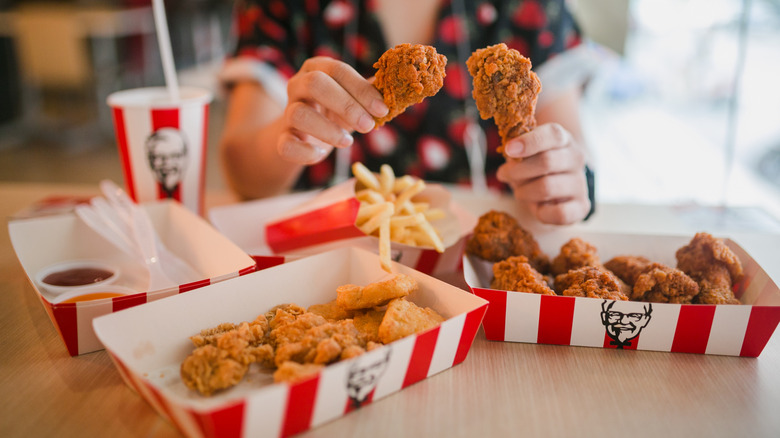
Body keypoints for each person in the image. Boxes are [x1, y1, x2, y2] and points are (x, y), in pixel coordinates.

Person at [219, 0, 595, 225]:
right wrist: (295, 132)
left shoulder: (532, 8)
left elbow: (569, 147)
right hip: (325, 257)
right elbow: (245, 174)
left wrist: (564, 180)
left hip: (474, 270)